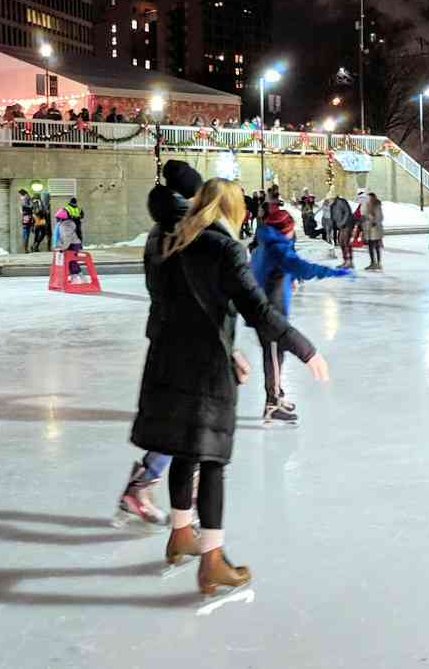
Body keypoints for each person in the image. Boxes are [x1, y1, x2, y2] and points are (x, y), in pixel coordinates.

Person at [132, 176, 329, 595]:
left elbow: (170, 305)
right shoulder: (224, 248)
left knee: (184, 451)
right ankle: (212, 561)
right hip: (205, 369)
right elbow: (257, 310)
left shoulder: (167, 240)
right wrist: (304, 348)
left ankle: (181, 534)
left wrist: (229, 348)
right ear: (231, 208)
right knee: (211, 462)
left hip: (166, 362)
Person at [117, 160, 203, 527]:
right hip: (189, 338)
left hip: (166, 333)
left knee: (183, 419)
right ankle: (181, 503)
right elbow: (196, 290)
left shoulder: (160, 228)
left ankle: (146, 486)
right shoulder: (183, 231)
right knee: (194, 422)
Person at [251, 208, 350, 424]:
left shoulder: (264, 245)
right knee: (273, 357)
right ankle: (272, 404)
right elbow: (303, 267)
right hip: (271, 314)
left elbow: (273, 271)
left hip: (268, 310)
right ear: (285, 230)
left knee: (276, 356)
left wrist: (289, 279)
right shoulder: (277, 249)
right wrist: (333, 272)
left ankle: (277, 395)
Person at [54, 206, 87, 283]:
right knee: (70, 262)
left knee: (72, 262)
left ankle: (81, 277)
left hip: (73, 245)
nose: (56, 220)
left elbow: (67, 238)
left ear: (61, 218)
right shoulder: (64, 224)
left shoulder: (65, 226)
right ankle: (74, 277)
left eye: (57, 218)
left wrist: (63, 248)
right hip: (72, 244)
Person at [327, 190, 354, 266]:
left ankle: (349, 262)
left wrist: (342, 223)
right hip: (341, 226)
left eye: (329, 199)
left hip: (347, 225)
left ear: (333, 198)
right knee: (341, 243)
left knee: (346, 242)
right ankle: (345, 260)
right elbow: (332, 217)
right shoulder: (332, 205)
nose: (329, 200)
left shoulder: (341, 202)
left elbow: (347, 212)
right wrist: (331, 227)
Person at [360, 192, 385, 271]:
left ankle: (378, 263)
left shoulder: (377, 205)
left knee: (376, 246)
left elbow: (380, 216)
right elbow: (363, 214)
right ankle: (372, 262)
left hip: (375, 229)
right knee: (370, 246)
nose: (369, 199)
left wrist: (375, 221)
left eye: (371, 198)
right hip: (368, 228)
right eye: (368, 198)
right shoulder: (365, 205)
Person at [18, 189, 35, 253]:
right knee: (26, 233)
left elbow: (30, 206)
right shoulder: (27, 198)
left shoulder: (26, 198)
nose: (20, 196)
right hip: (27, 217)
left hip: (26, 217)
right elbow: (31, 206)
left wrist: (23, 208)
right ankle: (26, 248)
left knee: (25, 233)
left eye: (20, 194)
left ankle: (25, 248)